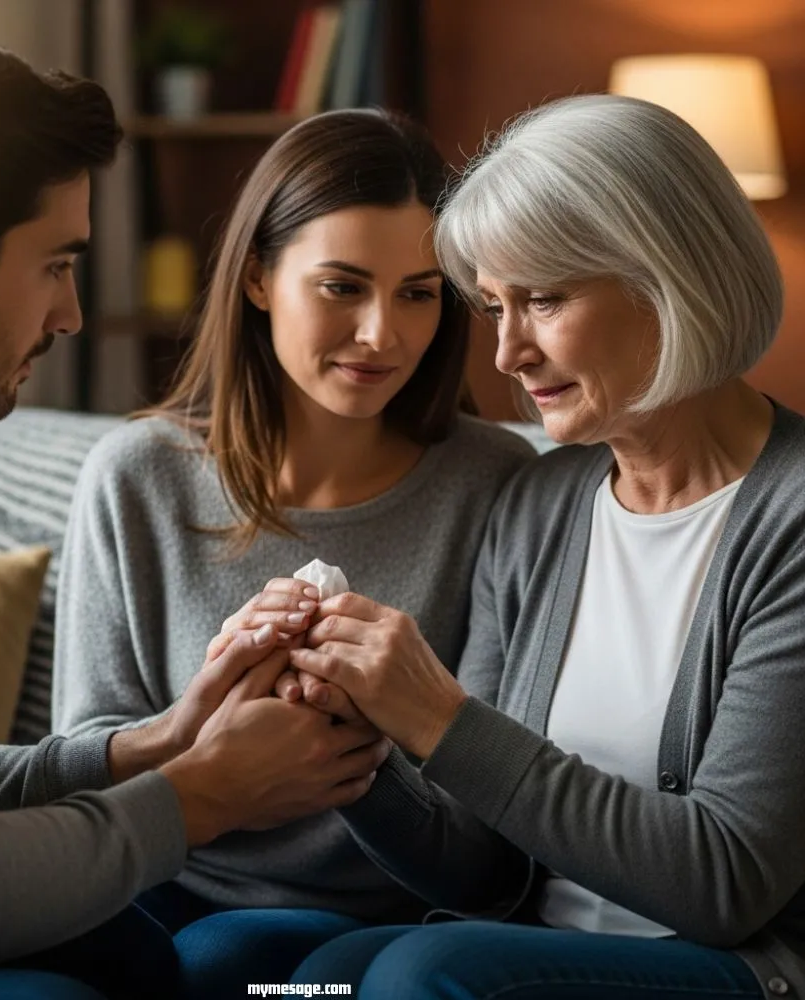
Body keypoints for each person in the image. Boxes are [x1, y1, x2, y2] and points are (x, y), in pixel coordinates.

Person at [0, 31, 391, 1000]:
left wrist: (158, 740)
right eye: (56, 264)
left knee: (116, 952)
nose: (72, 314)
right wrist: (204, 795)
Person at [263, 92, 805, 1000]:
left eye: (544, 301)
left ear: (670, 280)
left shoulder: (788, 520)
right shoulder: (540, 504)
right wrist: (360, 736)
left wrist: (440, 718)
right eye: (494, 307)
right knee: (294, 976)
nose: (508, 352)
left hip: (737, 968)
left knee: (423, 971)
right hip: (534, 950)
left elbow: (725, 883)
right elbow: (485, 872)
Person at [51, 107, 534, 997]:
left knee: (233, 967)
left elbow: (488, 859)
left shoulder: (502, 485)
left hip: (382, 927)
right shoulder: (137, 476)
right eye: (343, 287)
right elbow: (81, 770)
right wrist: (209, 720)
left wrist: (363, 745)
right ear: (260, 279)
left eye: (419, 293)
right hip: (159, 894)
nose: (382, 334)